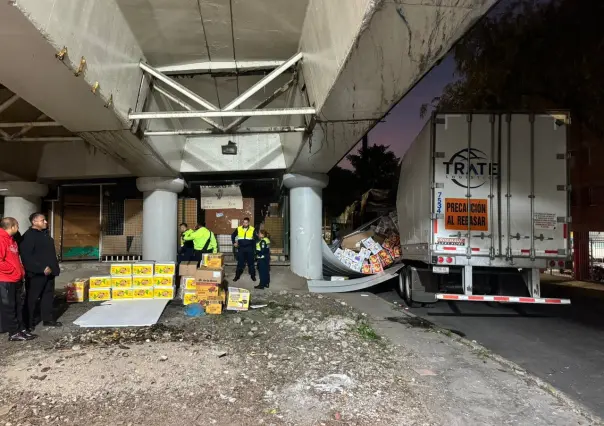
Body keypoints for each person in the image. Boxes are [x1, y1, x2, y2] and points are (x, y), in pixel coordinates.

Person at [19, 213, 61, 330]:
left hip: (50, 272)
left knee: (47, 296)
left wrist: (54, 268)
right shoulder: (29, 236)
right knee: (32, 298)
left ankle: (47, 318)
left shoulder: (44, 234)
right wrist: (41, 268)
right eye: (43, 220)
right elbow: (26, 256)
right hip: (36, 274)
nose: (46, 222)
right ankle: (27, 323)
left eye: (45, 220)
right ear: (34, 222)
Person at [0, 217, 34, 341]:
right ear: (12, 226)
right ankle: (13, 332)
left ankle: (21, 329)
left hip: (15, 279)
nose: (18, 228)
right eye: (17, 225)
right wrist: (13, 270)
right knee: (9, 307)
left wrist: (20, 271)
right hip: (6, 279)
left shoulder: (11, 240)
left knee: (18, 305)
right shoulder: (1, 239)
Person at [231, 217, 257, 282]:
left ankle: (253, 276)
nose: (245, 224)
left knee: (251, 263)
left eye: (246, 222)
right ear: (243, 222)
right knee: (240, 263)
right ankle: (237, 276)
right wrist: (234, 242)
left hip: (249, 248)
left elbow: (256, 239)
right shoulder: (239, 228)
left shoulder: (252, 229)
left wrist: (254, 249)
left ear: (248, 223)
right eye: (244, 222)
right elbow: (233, 235)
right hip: (241, 248)